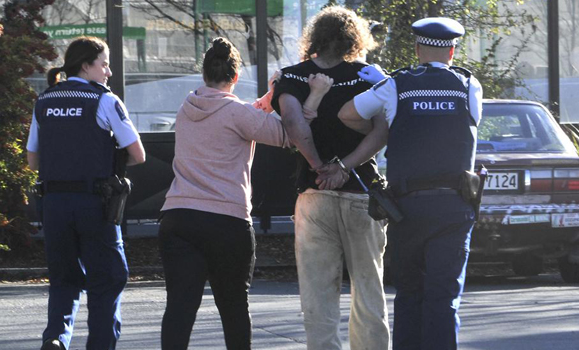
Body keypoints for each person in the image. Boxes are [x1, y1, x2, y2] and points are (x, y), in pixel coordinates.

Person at [157, 37, 332, 350]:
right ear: (235, 78)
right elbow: (287, 134)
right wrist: (313, 97)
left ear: (204, 74)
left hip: (178, 217)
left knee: (180, 309)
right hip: (226, 222)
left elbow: (238, 115)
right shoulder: (237, 114)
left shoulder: (187, 107)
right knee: (234, 308)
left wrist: (267, 97)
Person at [339, 17, 483, 350]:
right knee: (443, 297)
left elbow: (347, 114)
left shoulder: (396, 85)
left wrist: (388, 126)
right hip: (453, 206)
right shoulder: (468, 85)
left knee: (409, 294)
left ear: (418, 49)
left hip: (408, 208)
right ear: (451, 51)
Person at [271, 6, 391, 350]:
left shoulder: (292, 77)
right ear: (354, 40)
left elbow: (294, 124)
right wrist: (344, 168)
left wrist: (319, 167)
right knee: (369, 292)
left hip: (313, 196)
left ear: (315, 39)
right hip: (362, 196)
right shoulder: (369, 75)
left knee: (318, 295)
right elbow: (382, 131)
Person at [26, 36, 146, 350]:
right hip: (96, 203)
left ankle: (56, 339)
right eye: (104, 64)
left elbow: (32, 159)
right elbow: (138, 154)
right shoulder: (105, 100)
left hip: (53, 204)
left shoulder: (44, 100)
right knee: (106, 281)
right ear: (86, 65)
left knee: (64, 279)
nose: (108, 72)